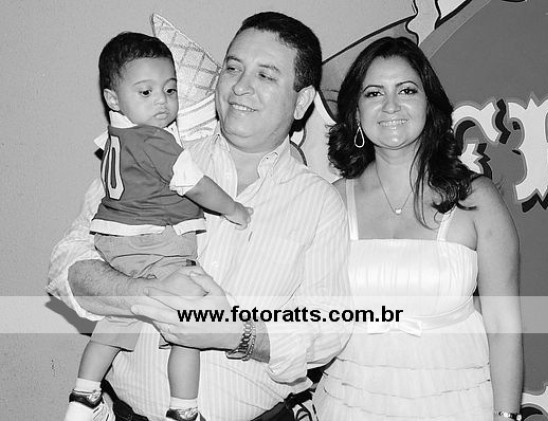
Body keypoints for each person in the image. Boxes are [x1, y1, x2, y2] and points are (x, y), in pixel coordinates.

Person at [48, 12, 351, 421]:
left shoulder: (320, 203)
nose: (240, 86)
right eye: (233, 68)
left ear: (301, 101)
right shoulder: (149, 156)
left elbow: (329, 328)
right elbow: (66, 265)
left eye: (265, 75)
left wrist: (236, 332)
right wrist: (146, 294)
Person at [312, 37, 523, 420]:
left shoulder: (476, 199)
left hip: (458, 405)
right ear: (356, 112)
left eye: (407, 90)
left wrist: (507, 417)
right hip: (351, 403)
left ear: (429, 104)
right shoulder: (332, 201)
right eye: (374, 93)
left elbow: (503, 325)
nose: (391, 105)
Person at [63, 32, 252, 421]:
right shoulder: (156, 141)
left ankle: (84, 394)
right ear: (113, 99)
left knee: (120, 315)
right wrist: (234, 208)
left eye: (170, 90)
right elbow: (197, 186)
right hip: (154, 243)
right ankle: (183, 409)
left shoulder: (116, 138)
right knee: (191, 321)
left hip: (116, 244)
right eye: (146, 92)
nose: (162, 102)